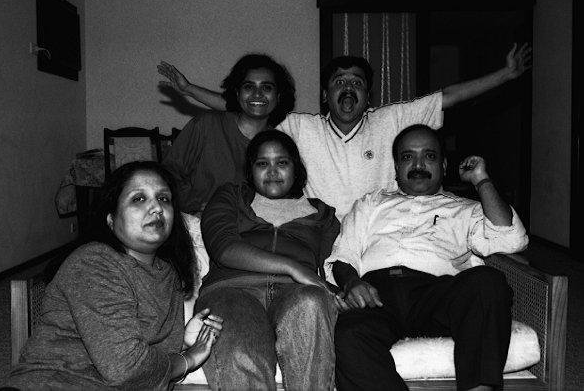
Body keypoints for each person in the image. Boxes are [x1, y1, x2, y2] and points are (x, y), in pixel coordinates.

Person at [158, 44, 531, 219]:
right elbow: (249, 106)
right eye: (339, 82)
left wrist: (505, 75)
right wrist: (190, 91)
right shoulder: (299, 126)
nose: (348, 88)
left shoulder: (392, 119)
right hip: (322, 232)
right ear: (325, 94)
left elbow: (448, 97)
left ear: (368, 96)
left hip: (381, 226)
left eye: (357, 82)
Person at [325, 124, 529, 391]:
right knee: (348, 334)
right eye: (408, 157)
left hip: (436, 294)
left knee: (488, 281)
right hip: (377, 295)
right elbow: (344, 254)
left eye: (429, 156)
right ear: (396, 167)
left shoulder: (465, 209)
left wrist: (481, 180)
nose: (418, 165)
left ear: (443, 165)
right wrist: (352, 283)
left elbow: (511, 239)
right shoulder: (370, 203)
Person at [2, 161, 223, 391]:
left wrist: (184, 341)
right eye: (139, 198)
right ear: (111, 219)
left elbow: (150, 366)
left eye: (164, 198)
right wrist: (189, 359)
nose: (157, 207)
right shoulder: (93, 263)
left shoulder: (169, 274)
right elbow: (127, 369)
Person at [195, 130, 341, 391]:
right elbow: (223, 247)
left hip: (296, 292)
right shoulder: (231, 196)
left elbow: (335, 262)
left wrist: (340, 291)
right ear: (251, 171)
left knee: (311, 303)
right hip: (232, 289)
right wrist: (292, 267)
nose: (272, 171)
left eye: (282, 162)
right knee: (241, 351)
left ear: (296, 168)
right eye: (262, 163)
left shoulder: (323, 214)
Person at [159, 54, 295, 214]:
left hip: (253, 226)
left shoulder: (279, 144)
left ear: (278, 96)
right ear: (237, 93)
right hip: (195, 220)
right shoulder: (206, 125)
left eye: (266, 87)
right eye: (249, 87)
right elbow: (168, 173)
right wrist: (195, 204)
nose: (257, 94)